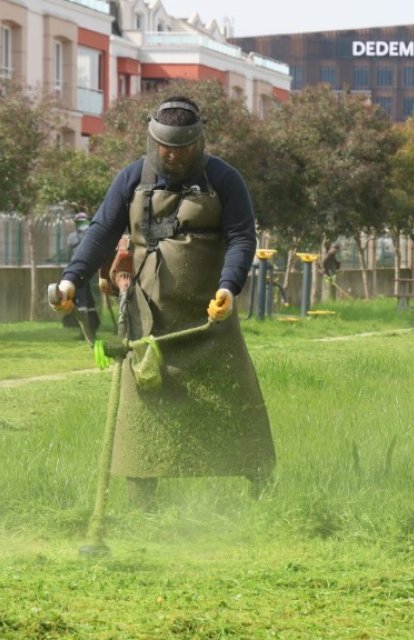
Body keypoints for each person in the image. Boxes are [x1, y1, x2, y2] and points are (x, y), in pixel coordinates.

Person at [49, 97, 274, 507]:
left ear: (198, 142)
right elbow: (100, 232)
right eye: (166, 148)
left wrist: (229, 286)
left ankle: (258, 489)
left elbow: (242, 237)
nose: (173, 156)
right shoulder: (131, 178)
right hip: (147, 318)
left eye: (183, 149)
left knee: (230, 400)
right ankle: (142, 500)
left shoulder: (224, 179)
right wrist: (70, 280)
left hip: (209, 318)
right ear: (153, 141)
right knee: (147, 406)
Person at [63, 213, 101, 333]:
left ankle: (90, 328)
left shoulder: (92, 236)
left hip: (90, 273)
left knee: (87, 301)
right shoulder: (72, 237)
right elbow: (69, 255)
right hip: (77, 273)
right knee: (83, 301)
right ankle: (85, 328)